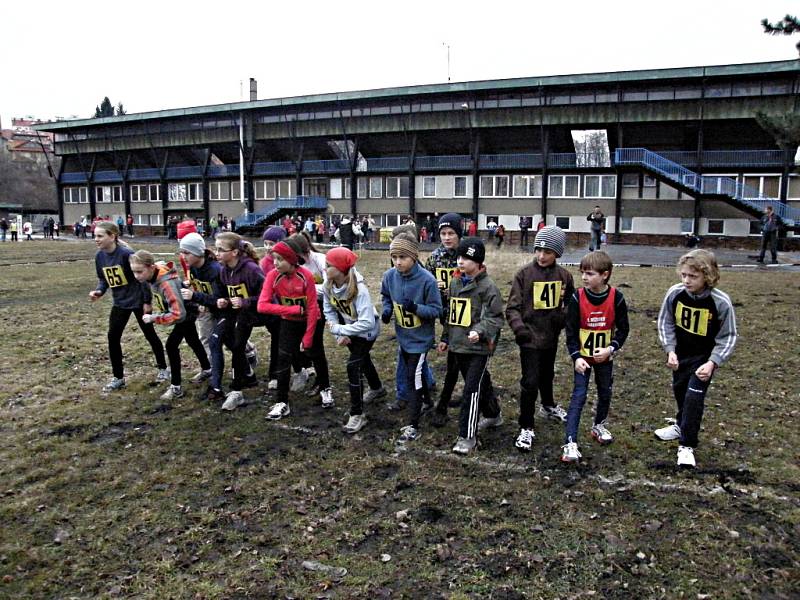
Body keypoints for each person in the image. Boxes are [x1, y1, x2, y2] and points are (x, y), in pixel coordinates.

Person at [654, 249, 737, 468]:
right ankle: (681, 424)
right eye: (684, 275)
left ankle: (687, 445)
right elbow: (665, 322)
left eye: (693, 276)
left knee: (694, 397)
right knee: (681, 392)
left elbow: (728, 336)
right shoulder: (675, 294)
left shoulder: (721, 302)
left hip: (704, 359)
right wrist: (670, 350)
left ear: (707, 276)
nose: (686, 280)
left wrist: (713, 362)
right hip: (680, 357)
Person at [505, 226, 574, 452]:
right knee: (530, 381)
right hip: (529, 339)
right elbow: (512, 307)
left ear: (557, 253)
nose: (542, 256)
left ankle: (548, 405)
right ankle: (526, 426)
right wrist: (520, 330)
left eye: (548, 251)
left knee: (547, 374)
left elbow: (570, 307)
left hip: (550, 337)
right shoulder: (524, 275)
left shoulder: (565, 276)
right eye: (539, 250)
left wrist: (560, 319)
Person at [561, 251, 629, 462]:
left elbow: (623, 330)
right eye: (583, 273)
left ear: (605, 275)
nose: (584, 277)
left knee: (605, 392)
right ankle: (570, 442)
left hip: (604, 359)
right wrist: (576, 357)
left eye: (589, 273)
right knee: (578, 396)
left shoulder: (616, 297)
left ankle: (598, 425)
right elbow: (570, 332)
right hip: (582, 359)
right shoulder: (576, 297)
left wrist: (611, 349)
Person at [439, 238, 504, 455]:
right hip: (459, 346)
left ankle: (467, 436)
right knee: (480, 382)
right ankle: (494, 414)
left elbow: (495, 317)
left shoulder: (488, 287)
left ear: (478, 261)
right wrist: (446, 337)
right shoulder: (456, 283)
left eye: (466, 258)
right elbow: (452, 315)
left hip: (479, 348)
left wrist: (480, 330)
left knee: (471, 390)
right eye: (459, 257)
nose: (460, 262)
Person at [88, 221, 169, 391]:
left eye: (100, 236)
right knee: (113, 337)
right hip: (120, 302)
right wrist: (99, 292)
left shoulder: (126, 254)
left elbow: (143, 278)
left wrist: (147, 302)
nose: (96, 239)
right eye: (95, 235)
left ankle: (163, 368)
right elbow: (104, 279)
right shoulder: (99, 257)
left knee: (150, 334)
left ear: (112, 236)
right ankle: (118, 377)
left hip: (138, 301)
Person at [380, 232, 442, 443]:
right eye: (394, 257)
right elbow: (386, 296)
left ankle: (413, 424)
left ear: (414, 257)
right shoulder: (389, 276)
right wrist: (387, 311)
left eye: (402, 257)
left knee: (412, 378)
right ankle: (428, 403)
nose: (397, 262)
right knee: (413, 374)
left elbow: (436, 310)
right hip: (403, 337)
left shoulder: (427, 280)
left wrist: (416, 308)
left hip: (420, 341)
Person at [129, 250, 210, 401]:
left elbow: (178, 314)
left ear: (151, 267)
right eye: (134, 272)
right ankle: (207, 368)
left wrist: (154, 318)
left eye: (139, 272)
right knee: (193, 340)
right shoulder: (153, 275)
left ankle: (176, 387)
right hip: (185, 312)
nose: (136, 276)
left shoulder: (166, 284)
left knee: (171, 345)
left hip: (185, 315)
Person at [322, 247, 386, 433]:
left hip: (367, 332)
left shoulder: (360, 290)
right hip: (350, 328)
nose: (325, 268)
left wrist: (343, 329)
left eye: (329, 265)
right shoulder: (329, 285)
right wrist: (339, 334)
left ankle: (357, 414)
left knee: (353, 366)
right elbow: (329, 311)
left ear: (341, 269)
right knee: (362, 360)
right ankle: (377, 388)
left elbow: (366, 323)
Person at [257, 240, 320, 420]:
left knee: (315, 353)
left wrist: (307, 337)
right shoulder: (272, 276)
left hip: (308, 322)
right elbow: (262, 306)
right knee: (283, 358)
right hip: (288, 322)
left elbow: (313, 308)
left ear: (292, 260)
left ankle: (325, 388)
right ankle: (282, 402)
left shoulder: (305, 276)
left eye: (280, 259)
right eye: (274, 258)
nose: (275, 263)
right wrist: (290, 310)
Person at [208, 233, 266, 409]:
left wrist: (245, 301)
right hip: (237, 314)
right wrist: (223, 299)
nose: (216, 253)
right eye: (215, 248)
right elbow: (223, 291)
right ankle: (242, 384)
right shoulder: (224, 270)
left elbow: (267, 295)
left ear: (234, 252)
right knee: (233, 345)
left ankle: (238, 388)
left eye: (220, 249)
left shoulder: (251, 270)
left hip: (257, 314)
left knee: (239, 345)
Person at [289, 232, 333, 406]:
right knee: (299, 344)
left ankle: (324, 385)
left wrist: (308, 288)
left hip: (320, 306)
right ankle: (309, 371)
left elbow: (328, 287)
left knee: (316, 346)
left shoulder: (320, 260)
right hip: (301, 307)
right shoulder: (294, 265)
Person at [178, 232, 224, 382]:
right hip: (204, 307)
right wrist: (190, 284)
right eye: (181, 252)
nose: (183, 256)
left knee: (231, 338)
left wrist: (195, 296)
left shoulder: (215, 269)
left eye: (187, 252)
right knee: (205, 337)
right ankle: (211, 368)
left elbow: (217, 297)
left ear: (198, 252)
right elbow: (199, 285)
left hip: (220, 308)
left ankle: (249, 353)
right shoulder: (193, 267)